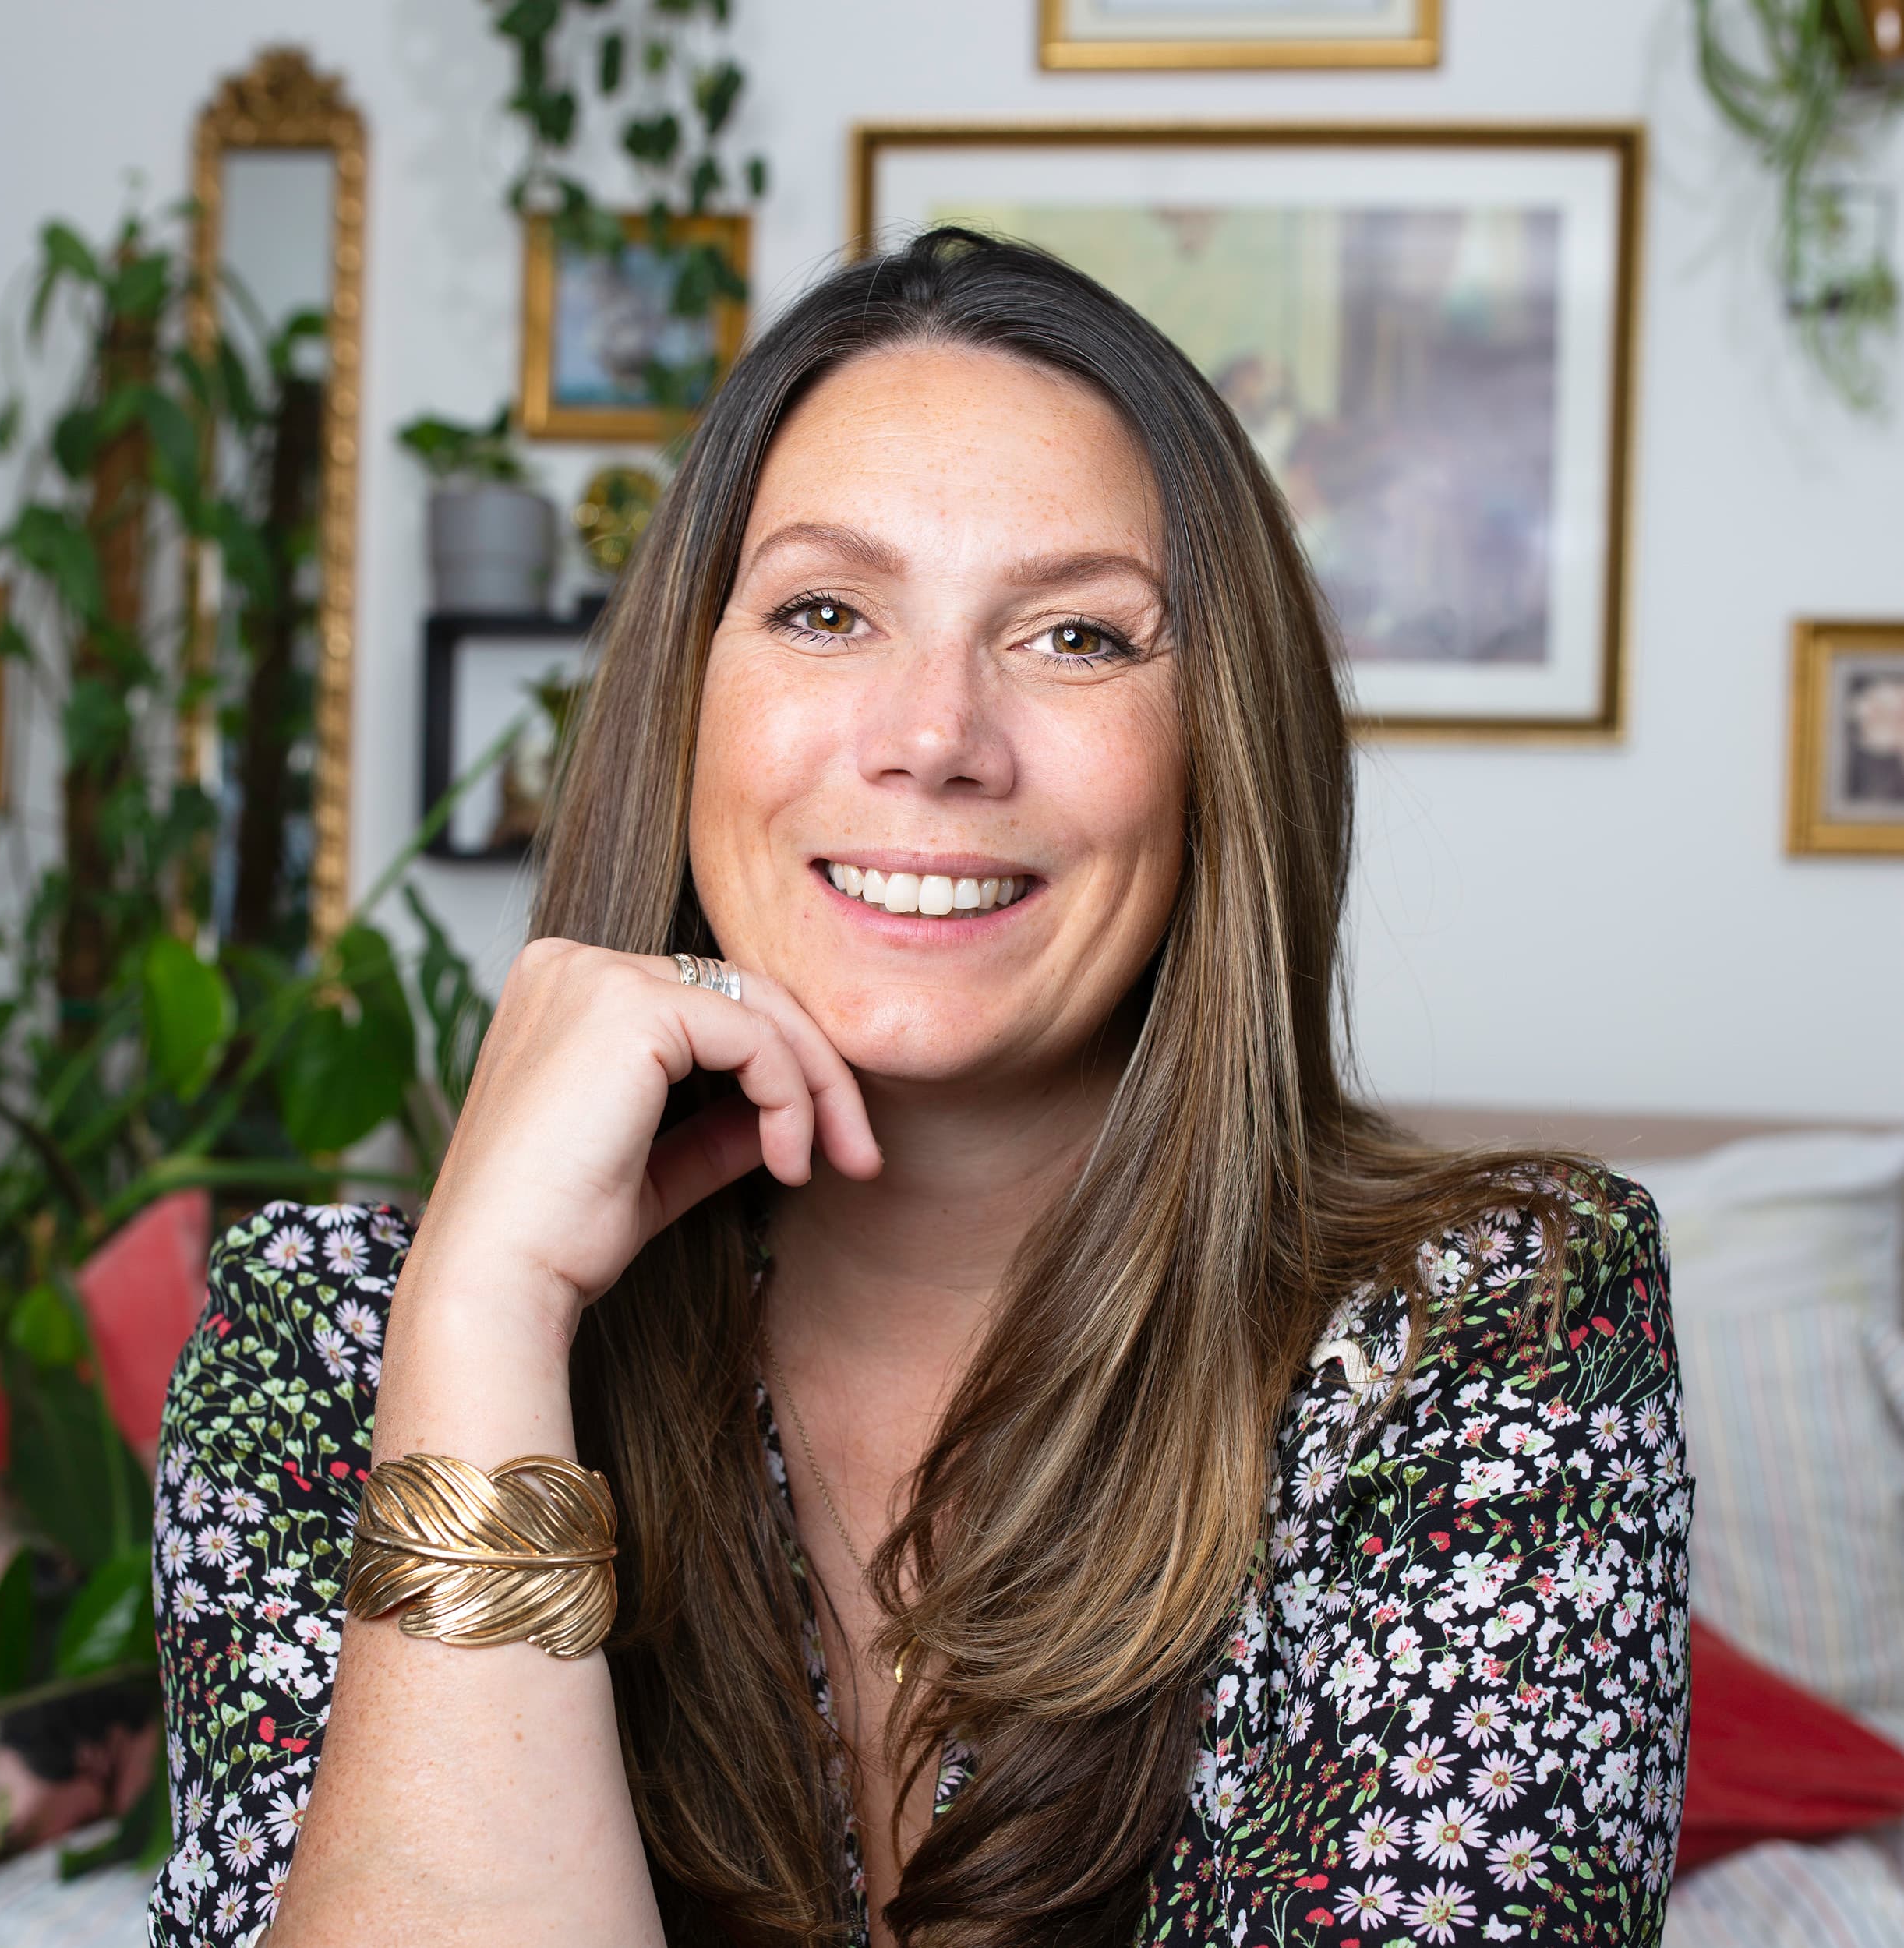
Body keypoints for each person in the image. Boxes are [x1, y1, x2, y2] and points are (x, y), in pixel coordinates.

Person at [147, 228, 1691, 1948]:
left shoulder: (1484, 1321)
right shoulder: (347, 1347)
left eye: (1077, 636)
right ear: (684, 699)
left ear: (1219, 752)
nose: (933, 732)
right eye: (823, 608)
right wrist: (486, 1316)